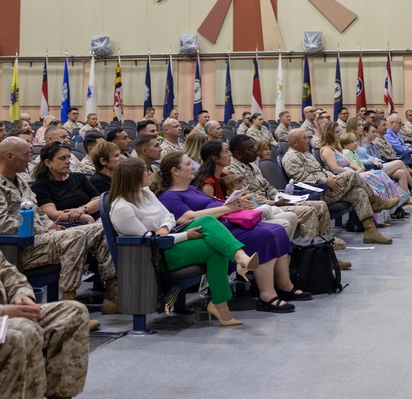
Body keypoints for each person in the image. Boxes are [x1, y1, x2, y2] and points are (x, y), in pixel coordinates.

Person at [0, 164, 91, 398]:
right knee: (21, 331)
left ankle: (60, 394)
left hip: (7, 309)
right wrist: (4, 311)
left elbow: (6, 269)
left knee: (72, 312)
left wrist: (23, 295)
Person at [108, 158, 260, 327]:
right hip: (154, 256)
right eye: (145, 171)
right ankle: (221, 302)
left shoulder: (145, 193)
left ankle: (241, 260)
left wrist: (165, 227)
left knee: (208, 220)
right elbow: (147, 242)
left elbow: (169, 217)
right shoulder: (122, 208)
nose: (149, 173)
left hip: (169, 240)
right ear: (133, 176)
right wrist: (185, 235)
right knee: (214, 248)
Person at [0, 137, 118, 311]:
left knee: (101, 228)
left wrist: (50, 225)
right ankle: (70, 305)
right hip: (17, 249)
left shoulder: (20, 182)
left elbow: (39, 213)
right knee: (75, 236)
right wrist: (41, 228)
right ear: (9, 156)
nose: (30, 159)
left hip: (40, 239)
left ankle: (113, 296)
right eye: (26, 155)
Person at [154, 152, 310, 313]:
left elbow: (215, 203)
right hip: (212, 234)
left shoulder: (192, 189)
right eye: (187, 164)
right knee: (266, 235)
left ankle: (284, 285)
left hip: (228, 223)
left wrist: (237, 203)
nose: (193, 167)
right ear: (175, 171)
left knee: (277, 230)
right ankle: (266, 295)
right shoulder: (168, 197)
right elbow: (189, 218)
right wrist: (228, 208)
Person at [283, 129, 398, 244]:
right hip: (318, 193)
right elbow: (300, 178)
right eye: (304, 138)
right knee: (352, 174)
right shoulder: (290, 157)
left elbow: (321, 170)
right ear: (294, 142)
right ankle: (376, 201)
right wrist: (325, 180)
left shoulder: (306, 153)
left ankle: (370, 231)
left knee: (359, 192)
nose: (308, 141)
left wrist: (331, 177)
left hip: (329, 187)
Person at [224, 135, 333, 241]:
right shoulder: (233, 170)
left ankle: (325, 245)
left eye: (254, 148)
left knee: (321, 205)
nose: (255, 151)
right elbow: (248, 199)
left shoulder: (251, 165)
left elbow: (267, 186)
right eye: (250, 149)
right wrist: (275, 203)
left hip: (273, 202)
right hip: (262, 208)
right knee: (309, 211)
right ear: (239, 154)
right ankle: (307, 252)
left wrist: (279, 197)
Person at [30, 143, 100, 225]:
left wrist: (82, 209)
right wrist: (84, 217)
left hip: (96, 218)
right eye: (62, 158)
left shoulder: (79, 177)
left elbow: (97, 200)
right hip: (71, 225)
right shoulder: (40, 186)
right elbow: (52, 214)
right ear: (48, 163)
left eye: (68, 157)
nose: (68, 162)